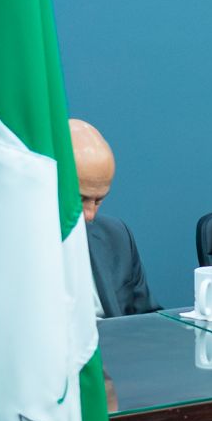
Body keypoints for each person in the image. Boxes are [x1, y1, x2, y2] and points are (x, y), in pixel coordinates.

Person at [69, 118, 159, 317]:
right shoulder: (13, 247)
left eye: (98, 200)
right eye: (81, 198)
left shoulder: (117, 237)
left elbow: (147, 319)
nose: (90, 214)